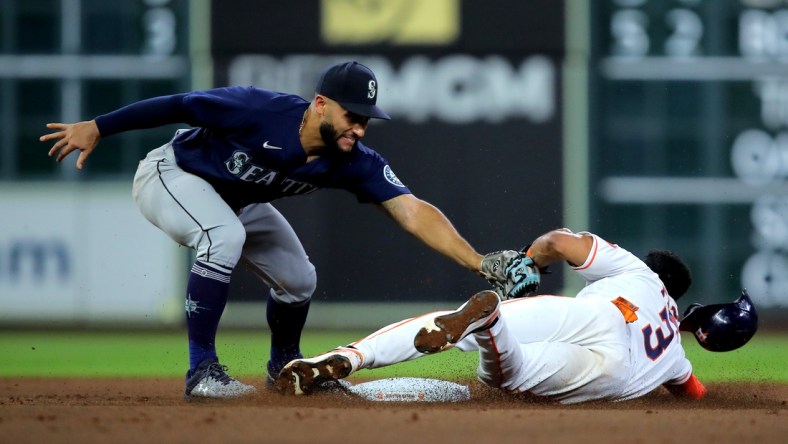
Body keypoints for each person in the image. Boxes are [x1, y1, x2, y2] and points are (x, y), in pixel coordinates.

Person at [39, 61, 530, 399]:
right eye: (351, 116)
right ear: (320, 103)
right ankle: (202, 371)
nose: (359, 129)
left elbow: (411, 210)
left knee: (299, 279)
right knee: (222, 237)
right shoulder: (258, 110)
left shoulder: (352, 160)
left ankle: (285, 366)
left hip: (237, 201)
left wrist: (478, 261)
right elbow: (180, 104)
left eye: (366, 121)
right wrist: (100, 126)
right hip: (172, 175)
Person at [274, 227, 757, 403]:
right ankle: (491, 328)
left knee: (451, 320)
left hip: (594, 316)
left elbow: (559, 242)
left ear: (655, 273)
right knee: (511, 375)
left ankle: (347, 357)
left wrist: (530, 260)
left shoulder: (636, 272)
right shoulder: (674, 349)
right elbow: (693, 392)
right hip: (618, 372)